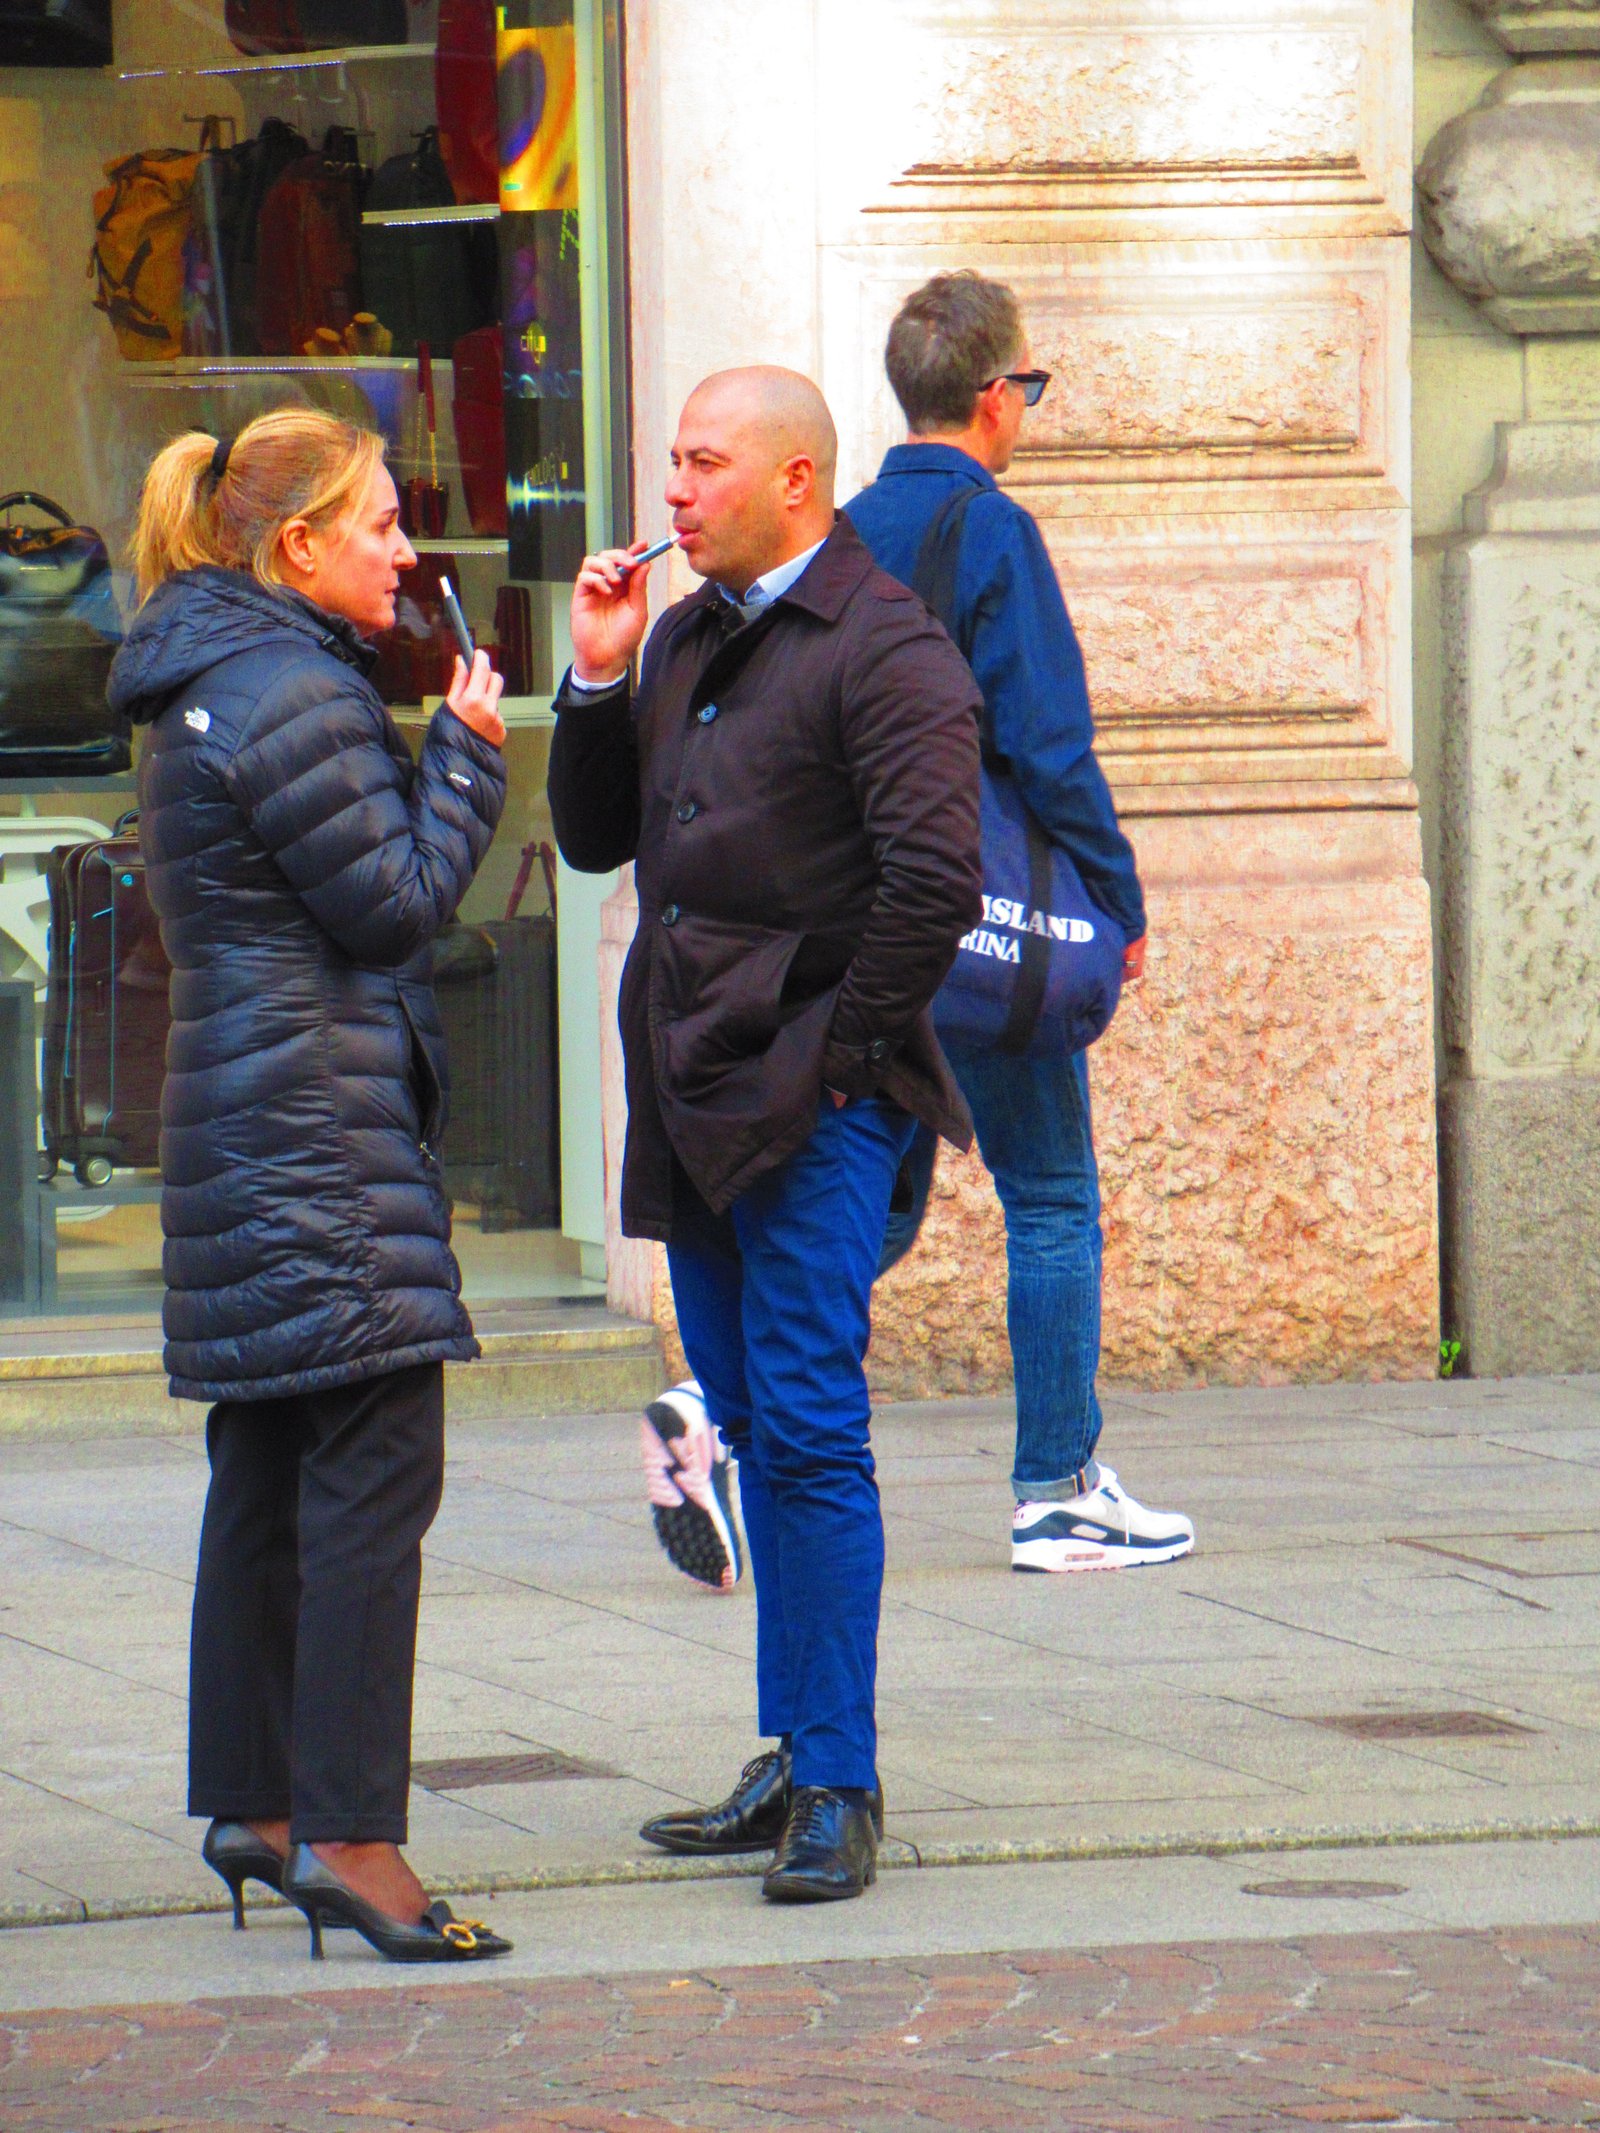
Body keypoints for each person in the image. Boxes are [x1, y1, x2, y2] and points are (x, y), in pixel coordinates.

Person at [645, 274, 1194, 1587]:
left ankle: (716, 1414)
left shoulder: (829, 528)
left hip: (856, 932)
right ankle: (1057, 1486)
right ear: (999, 397)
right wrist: (1115, 898)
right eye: (1032, 392)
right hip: (984, 924)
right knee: (1050, 1193)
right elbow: (1050, 745)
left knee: (862, 1204)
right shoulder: (990, 533)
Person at [548, 366, 982, 1901]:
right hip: (693, 1084)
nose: (671, 491)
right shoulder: (682, 635)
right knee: (744, 1428)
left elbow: (938, 884)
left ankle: (839, 1780)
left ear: (796, 482)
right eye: (671, 460)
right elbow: (600, 836)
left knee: (809, 1430)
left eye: (703, 463)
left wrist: (844, 1064)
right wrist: (594, 678)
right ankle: (793, 1746)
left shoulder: (885, 646)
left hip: (811, 1099)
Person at [111, 407, 513, 1965]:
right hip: (321, 1138)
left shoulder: (212, 675)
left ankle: (255, 1806)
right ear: (295, 545)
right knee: (367, 1483)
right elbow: (397, 909)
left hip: (246, 1119)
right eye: (382, 524)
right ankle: (350, 1835)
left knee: (269, 1472)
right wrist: (470, 762)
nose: (410, 549)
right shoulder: (294, 691)